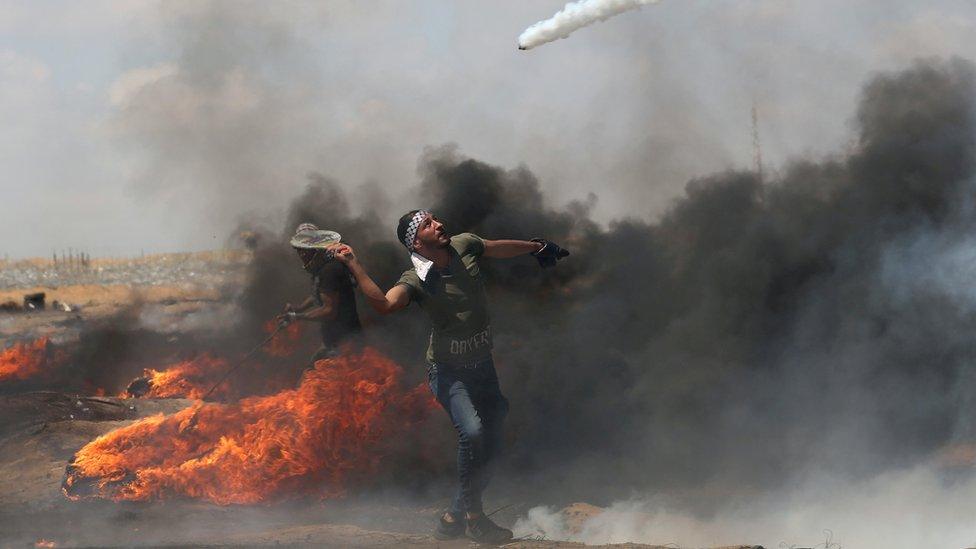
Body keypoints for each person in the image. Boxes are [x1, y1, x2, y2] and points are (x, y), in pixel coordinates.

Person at [332, 210, 569, 544]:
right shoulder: (415, 278)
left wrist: (536, 247)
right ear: (416, 241)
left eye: (436, 219)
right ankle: (474, 518)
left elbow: (495, 247)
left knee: (494, 440)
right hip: (448, 372)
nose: (439, 224)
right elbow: (385, 305)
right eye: (428, 225)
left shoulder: (464, 245)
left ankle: (452, 516)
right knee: (471, 432)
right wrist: (354, 264)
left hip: (481, 365)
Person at [277, 223, 362, 374]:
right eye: (299, 249)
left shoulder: (330, 270)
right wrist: (298, 308)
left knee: (318, 385)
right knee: (309, 378)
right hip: (332, 341)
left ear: (317, 247)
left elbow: (329, 310)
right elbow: (318, 294)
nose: (301, 253)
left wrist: (297, 317)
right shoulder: (320, 270)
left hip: (344, 344)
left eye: (305, 248)